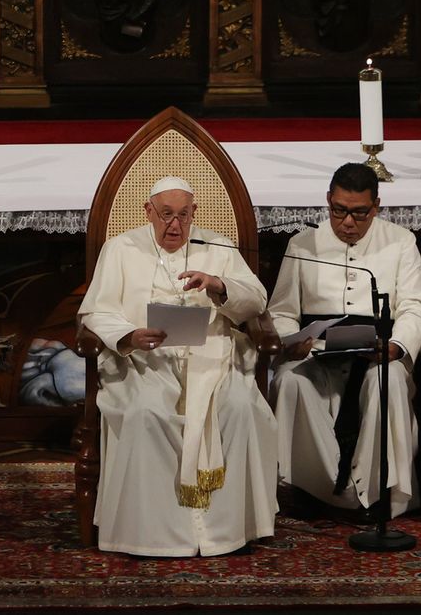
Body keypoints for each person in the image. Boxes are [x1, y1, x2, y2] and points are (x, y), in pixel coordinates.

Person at [77, 176, 277, 556]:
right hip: (143, 360)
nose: (175, 225)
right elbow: (95, 311)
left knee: (241, 407)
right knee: (145, 412)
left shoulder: (217, 245)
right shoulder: (119, 249)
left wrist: (218, 284)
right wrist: (129, 335)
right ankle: (152, 533)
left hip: (215, 357)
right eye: (166, 215)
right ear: (148, 212)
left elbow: (256, 300)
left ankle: (227, 530)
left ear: (194, 213)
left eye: (183, 215)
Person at [268, 163, 421, 518]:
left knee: (387, 383)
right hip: (316, 354)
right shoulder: (302, 243)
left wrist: (397, 345)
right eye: (339, 211)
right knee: (289, 382)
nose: (348, 222)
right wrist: (289, 341)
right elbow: (280, 310)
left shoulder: (400, 242)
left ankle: (376, 492)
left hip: (376, 353)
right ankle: (319, 489)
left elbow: (415, 307)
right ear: (328, 201)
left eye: (360, 213)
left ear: (376, 207)